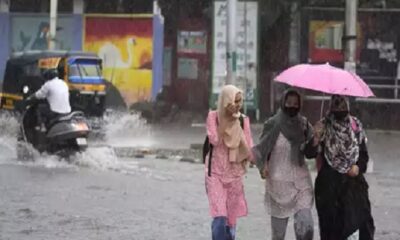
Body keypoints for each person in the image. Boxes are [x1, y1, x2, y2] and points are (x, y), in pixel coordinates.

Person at [252, 89, 316, 240]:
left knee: (305, 226)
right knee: (278, 235)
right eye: (289, 103)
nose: (292, 106)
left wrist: (315, 140)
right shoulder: (273, 124)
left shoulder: (304, 125)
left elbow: (311, 153)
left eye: (296, 103)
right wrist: (263, 167)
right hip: (278, 185)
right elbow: (261, 150)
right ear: (283, 103)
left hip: (301, 184)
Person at [309, 95, 375, 240]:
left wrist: (357, 168)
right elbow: (309, 153)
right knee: (332, 230)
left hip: (353, 186)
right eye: (336, 106)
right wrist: (314, 138)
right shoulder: (323, 126)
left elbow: (363, 156)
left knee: (360, 225)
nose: (340, 110)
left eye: (343, 106)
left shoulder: (355, 126)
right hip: (329, 188)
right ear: (331, 107)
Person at [205, 85, 254, 240]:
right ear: (226, 101)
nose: (237, 105)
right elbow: (214, 139)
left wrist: (261, 165)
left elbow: (249, 145)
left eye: (240, 101)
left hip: (234, 175)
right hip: (216, 175)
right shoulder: (213, 117)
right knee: (219, 217)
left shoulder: (243, 120)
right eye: (234, 101)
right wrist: (225, 120)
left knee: (230, 224)